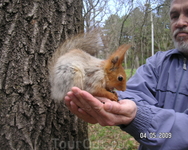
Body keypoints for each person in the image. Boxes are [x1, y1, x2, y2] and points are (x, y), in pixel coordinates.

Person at [64, 0, 188, 149]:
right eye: (174, 16)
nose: (180, 22)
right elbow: (132, 92)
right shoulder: (159, 62)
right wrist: (112, 102)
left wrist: (140, 117)